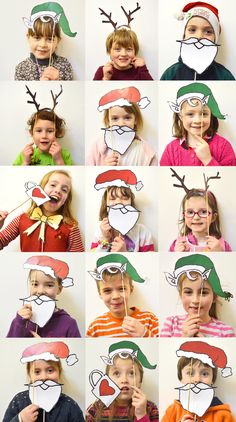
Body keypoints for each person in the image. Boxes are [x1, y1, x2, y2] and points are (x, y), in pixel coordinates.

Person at [0, 170, 84, 252]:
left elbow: (78, 258)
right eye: (53, 185)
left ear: (65, 200)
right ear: (41, 189)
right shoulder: (21, 219)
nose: (58, 191)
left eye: (64, 190)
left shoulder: (71, 228)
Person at [3, 341, 84, 421]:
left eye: (50, 370)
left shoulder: (70, 406)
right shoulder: (19, 401)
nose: (44, 377)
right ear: (30, 374)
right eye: (37, 372)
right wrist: (20, 419)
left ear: (59, 372)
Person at [160, 83, 235, 166]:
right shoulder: (170, 150)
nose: (197, 120)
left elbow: (229, 178)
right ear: (180, 116)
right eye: (190, 114)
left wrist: (208, 159)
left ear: (211, 115)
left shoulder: (224, 146)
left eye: (204, 114)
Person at [161, 254, 235, 337]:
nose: (195, 300)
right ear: (181, 295)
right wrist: (184, 337)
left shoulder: (226, 332)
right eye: (188, 292)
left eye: (203, 293)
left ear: (214, 297)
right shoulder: (171, 324)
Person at [7, 255, 81, 337]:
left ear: (59, 289)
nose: (40, 291)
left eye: (49, 285)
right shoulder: (20, 321)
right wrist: (19, 323)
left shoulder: (69, 324)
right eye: (35, 284)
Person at [87, 254, 158, 337]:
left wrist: (144, 333)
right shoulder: (95, 328)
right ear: (100, 294)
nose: (115, 296)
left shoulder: (149, 319)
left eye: (122, 289)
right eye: (107, 290)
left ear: (131, 289)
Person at [161, 341, 235, 422]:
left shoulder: (224, 415)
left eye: (204, 373)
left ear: (212, 380)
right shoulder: (172, 411)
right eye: (190, 373)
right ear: (180, 378)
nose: (197, 379)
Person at [160, 2, 235, 80]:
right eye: (192, 30)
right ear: (184, 36)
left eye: (208, 32)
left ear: (215, 38)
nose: (199, 37)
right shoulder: (171, 74)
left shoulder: (224, 76)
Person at [86, 341, 159, 421]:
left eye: (131, 373)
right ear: (107, 379)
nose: (124, 380)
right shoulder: (95, 409)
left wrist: (141, 415)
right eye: (117, 373)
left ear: (140, 381)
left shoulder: (150, 409)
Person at [86, 86, 157, 166]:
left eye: (127, 118)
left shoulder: (145, 152)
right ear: (108, 121)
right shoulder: (97, 147)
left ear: (135, 120)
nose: (121, 124)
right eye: (115, 118)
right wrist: (103, 167)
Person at [91, 170, 154, 252]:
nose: (118, 202)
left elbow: (149, 261)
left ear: (131, 203)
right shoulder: (100, 230)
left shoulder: (143, 232)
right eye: (112, 198)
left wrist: (124, 252)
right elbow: (92, 257)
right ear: (105, 204)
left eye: (124, 198)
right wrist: (105, 239)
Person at [169, 172, 232, 252]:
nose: (196, 217)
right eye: (190, 212)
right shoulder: (178, 244)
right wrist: (175, 254)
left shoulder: (221, 245)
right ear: (184, 216)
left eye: (203, 212)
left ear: (213, 217)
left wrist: (220, 253)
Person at [15, 2, 77, 81]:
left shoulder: (64, 65)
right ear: (28, 38)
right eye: (37, 38)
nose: (43, 44)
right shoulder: (21, 68)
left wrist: (58, 80)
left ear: (58, 41)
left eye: (49, 39)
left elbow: (70, 91)